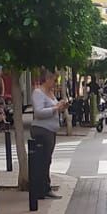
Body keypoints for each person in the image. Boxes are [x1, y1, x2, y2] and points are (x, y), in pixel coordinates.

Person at [28, 70, 68, 199]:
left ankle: (44, 187)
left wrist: (61, 107)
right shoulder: (38, 93)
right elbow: (39, 112)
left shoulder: (50, 93)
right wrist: (56, 108)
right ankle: (42, 188)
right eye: (54, 80)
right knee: (43, 160)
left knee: (47, 160)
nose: (55, 83)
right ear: (47, 79)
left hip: (50, 130)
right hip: (42, 130)